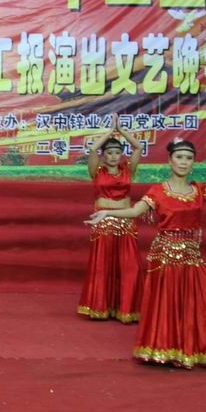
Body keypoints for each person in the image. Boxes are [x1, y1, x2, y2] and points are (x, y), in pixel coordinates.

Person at [88, 134, 206, 369]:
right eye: (179, 157)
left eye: (188, 158)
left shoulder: (199, 189)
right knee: (168, 306)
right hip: (165, 256)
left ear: (193, 162)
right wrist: (107, 213)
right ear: (170, 160)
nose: (184, 162)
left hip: (191, 256)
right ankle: (164, 351)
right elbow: (135, 211)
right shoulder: (158, 191)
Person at [77, 119, 143, 323]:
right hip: (103, 221)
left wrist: (121, 131)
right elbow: (92, 149)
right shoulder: (96, 171)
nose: (114, 156)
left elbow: (138, 147)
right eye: (109, 152)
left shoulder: (128, 169)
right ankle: (101, 306)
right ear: (104, 155)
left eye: (117, 152)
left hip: (125, 220)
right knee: (103, 265)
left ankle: (125, 308)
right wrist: (109, 132)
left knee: (127, 265)